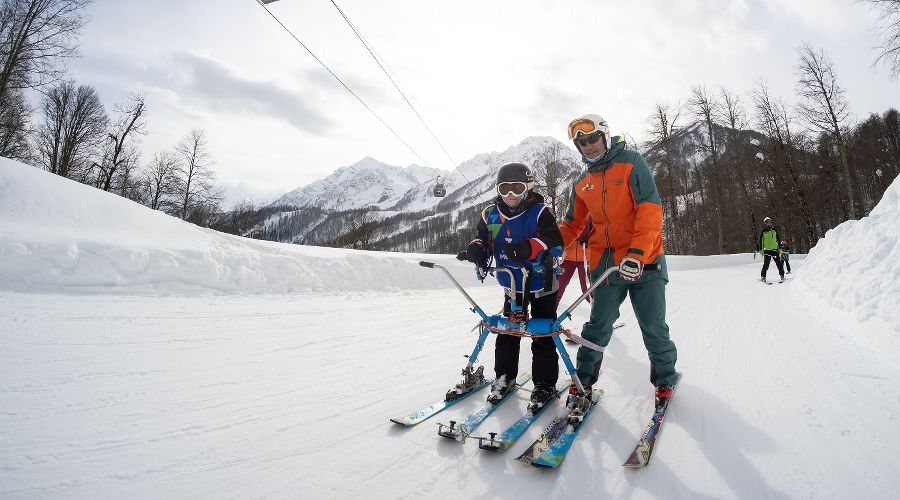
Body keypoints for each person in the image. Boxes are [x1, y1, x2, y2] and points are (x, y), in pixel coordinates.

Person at [558, 113, 678, 415]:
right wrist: (543, 247)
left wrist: (637, 253)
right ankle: (583, 382)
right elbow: (571, 225)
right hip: (607, 266)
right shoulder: (582, 182)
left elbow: (649, 209)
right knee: (597, 326)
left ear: (605, 136)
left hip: (645, 261)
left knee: (653, 326)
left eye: (592, 138)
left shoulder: (631, 162)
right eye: (581, 142)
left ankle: (664, 380)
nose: (588, 146)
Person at [457, 162, 563, 412]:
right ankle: (505, 376)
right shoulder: (490, 214)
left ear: (528, 186)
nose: (511, 195)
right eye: (505, 189)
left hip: (540, 283)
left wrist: (531, 247)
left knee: (543, 332)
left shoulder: (539, 212)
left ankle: (545, 384)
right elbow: (482, 238)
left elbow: (555, 241)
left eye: (516, 188)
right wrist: (477, 249)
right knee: (508, 330)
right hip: (512, 283)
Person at [556, 218, 593, 310]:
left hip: (586, 257)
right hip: (568, 257)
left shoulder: (593, 209)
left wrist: (592, 238)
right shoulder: (572, 209)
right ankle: (549, 317)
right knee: (557, 287)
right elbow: (565, 228)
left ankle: (600, 320)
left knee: (589, 290)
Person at [758, 217, 785, 283]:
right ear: (765, 223)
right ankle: (763, 277)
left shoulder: (774, 230)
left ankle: (782, 275)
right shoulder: (763, 231)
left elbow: (778, 239)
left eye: (769, 221)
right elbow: (761, 241)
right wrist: (761, 250)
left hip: (775, 250)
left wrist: (780, 248)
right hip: (767, 250)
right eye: (767, 222)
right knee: (766, 264)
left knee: (779, 263)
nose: (768, 223)